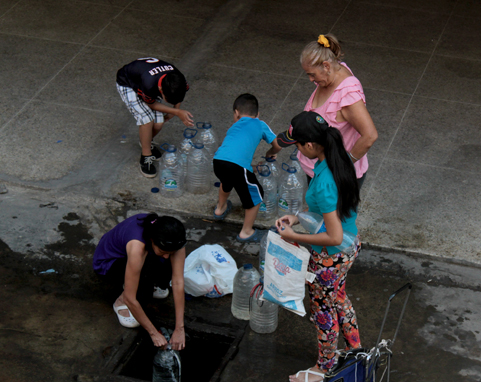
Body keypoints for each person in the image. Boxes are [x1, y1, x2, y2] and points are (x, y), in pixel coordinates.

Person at [274, 111, 361, 382]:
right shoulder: (339, 158)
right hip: (351, 245)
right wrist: (299, 217)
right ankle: (355, 348)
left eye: (298, 145)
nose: (298, 150)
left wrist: (294, 236)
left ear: (310, 145)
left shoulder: (323, 182)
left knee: (323, 312)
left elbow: (333, 237)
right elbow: (332, 214)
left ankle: (324, 367)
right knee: (339, 297)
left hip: (330, 257)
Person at [268, 34, 377, 191]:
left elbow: (370, 136)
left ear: (326, 66)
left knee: (328, 215)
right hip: (318, 171)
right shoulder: (334, 71)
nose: (311, 80)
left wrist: (340, 166)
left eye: (312, 74)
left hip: (333, 178)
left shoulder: (347, 96)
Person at [93, 213, 187, 350]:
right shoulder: (137, 247)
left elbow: (178, 281)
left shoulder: (174, 238)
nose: (167, 256)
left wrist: (180, 328)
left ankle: (143, 279)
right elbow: (131, 299)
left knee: (167, 267)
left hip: (143, 255)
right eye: (162, 251)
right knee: (143, 294)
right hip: (109, 263)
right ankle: (120, 301)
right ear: (152, 240)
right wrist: (153, 333)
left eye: (170, 252)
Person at [212, 93, 282, 243]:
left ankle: (220, 209)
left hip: (218, 161)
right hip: (236, 167)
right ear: (257, 114)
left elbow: (233, 156)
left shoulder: (233, 127)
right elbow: (278, 145)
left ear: (236, 113)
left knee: (227, 181)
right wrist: (270, 152)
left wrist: (252, 168)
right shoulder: (260, 123)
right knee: (256, 195)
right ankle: (246, 232)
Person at [116, 57, 195, 178]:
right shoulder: (149, 84)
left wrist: (175, 110)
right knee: (146, 119)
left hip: (146, 81)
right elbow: (150, 103)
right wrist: (177, 111)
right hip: (127, 83)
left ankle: (145, 141)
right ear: (161, 90)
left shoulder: (179, 79)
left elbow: (179, 96)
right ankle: (146, 156)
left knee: (159, 123)